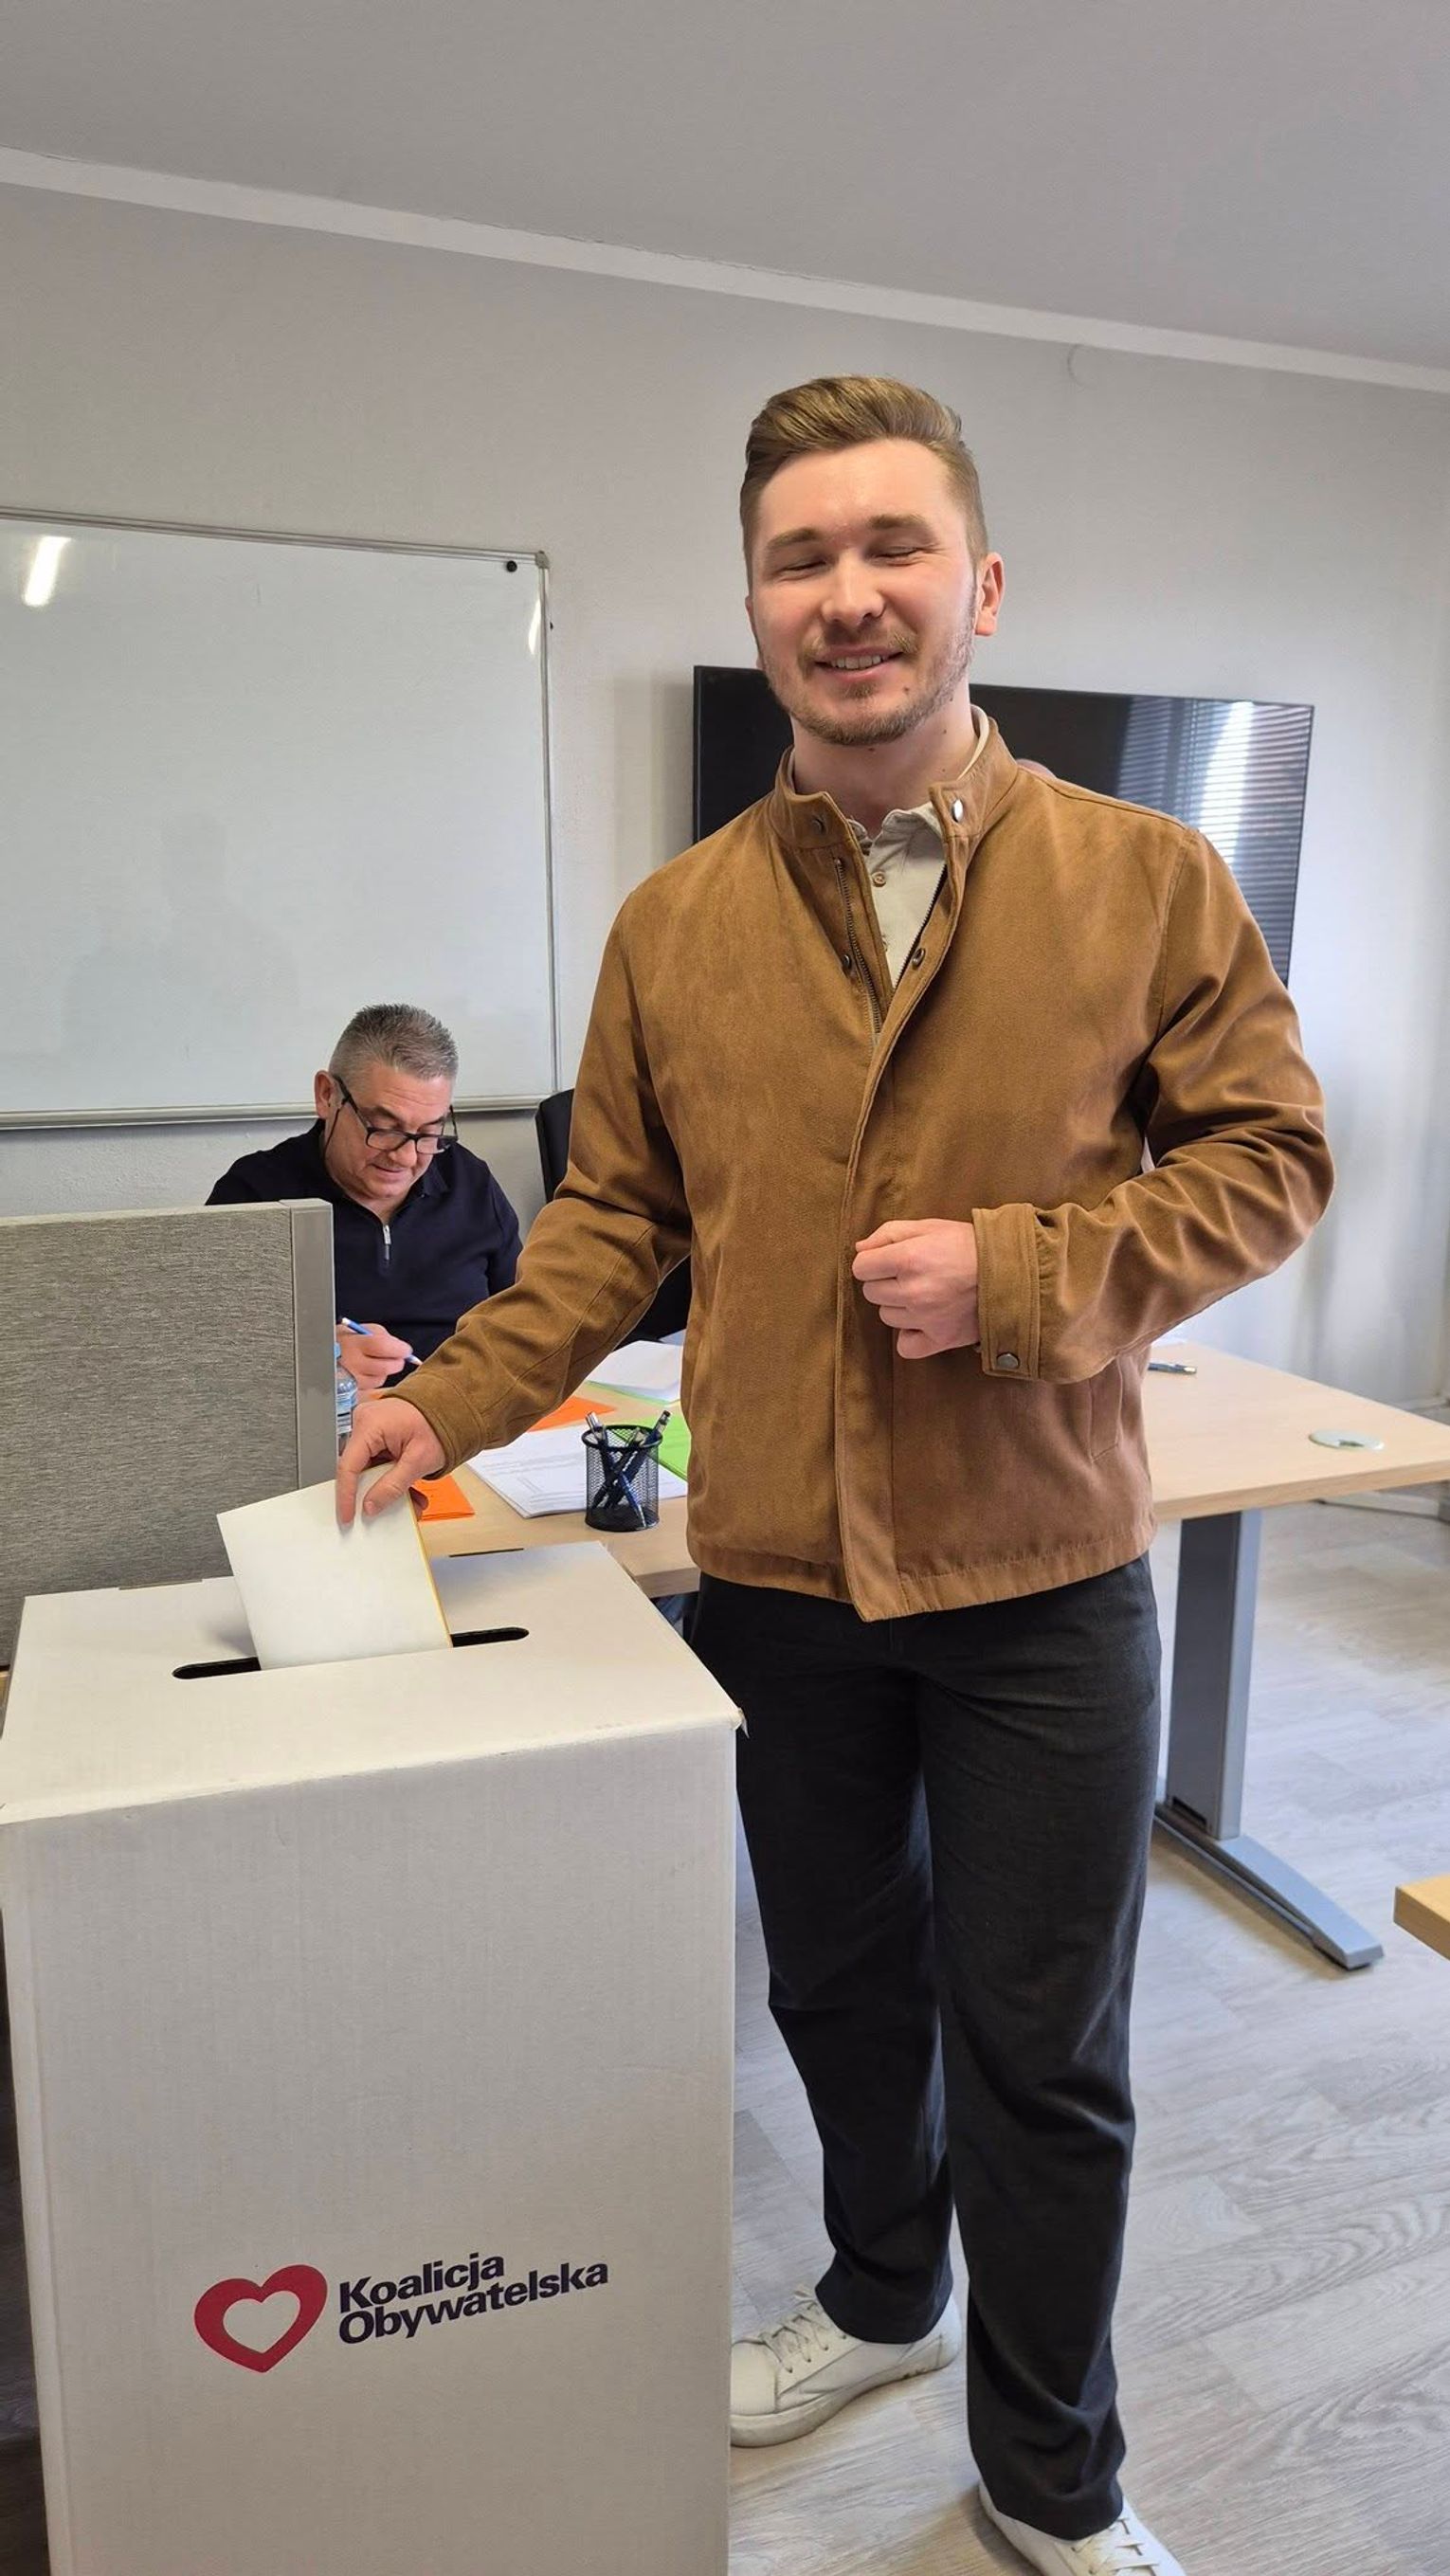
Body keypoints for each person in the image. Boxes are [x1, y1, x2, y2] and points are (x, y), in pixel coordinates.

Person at [336, 377, 1332, 2575]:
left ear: (980, 588)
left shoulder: (1143, 879)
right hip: (781, 1574)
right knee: (836, 1990)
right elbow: (610, 1222)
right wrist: (459, 1394)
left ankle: (1052, 2478)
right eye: (801, 557)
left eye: (894, 547)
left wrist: (1026, 1271)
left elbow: (1272, 1157)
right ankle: (883, 2299)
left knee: (1042, 2050)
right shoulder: (673, 923)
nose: (848, 593)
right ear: (759, 603)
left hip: (1041, 1572)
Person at [208, 1003, 520, 1390]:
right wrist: (314, 1361)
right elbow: (206, 1356)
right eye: (384, 1128)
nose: (406, 1157)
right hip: (330, 1420)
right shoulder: (254, 1197)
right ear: (327, 1096)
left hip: (462, 1412)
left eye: (429, 1133)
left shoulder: (470, 1182)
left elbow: (523, 1320)